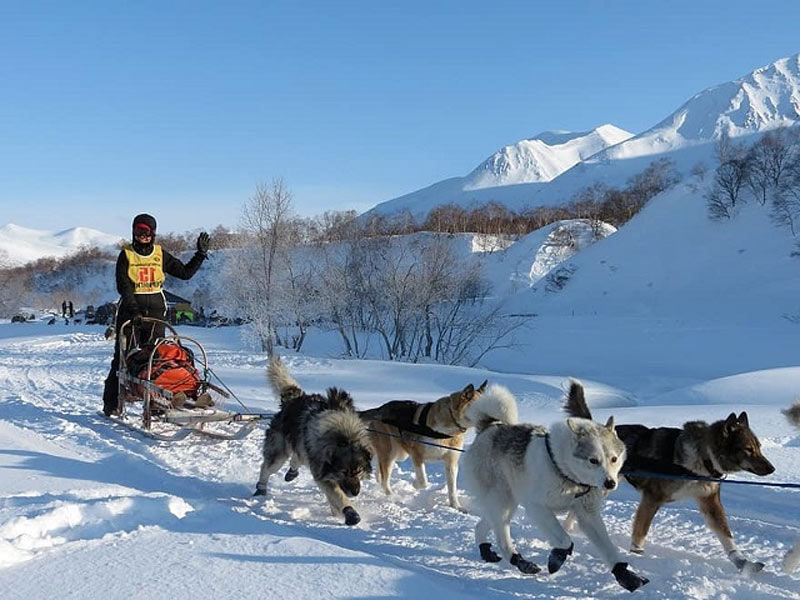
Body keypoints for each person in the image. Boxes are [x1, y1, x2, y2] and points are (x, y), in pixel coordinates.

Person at [102, 213, 210, 417]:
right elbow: (123, 286)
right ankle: (112, 403)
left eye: (147, 232)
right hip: (130, 313)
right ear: (133, 232)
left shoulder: (160, 254)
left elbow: (185, 273)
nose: (143, 236)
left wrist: (200, 255)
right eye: (139, 231)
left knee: (156, 357)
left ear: (153, 233)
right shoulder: (126, 255)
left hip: (156, 312)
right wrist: (134, 311)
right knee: (123, 359)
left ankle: (156, 400)